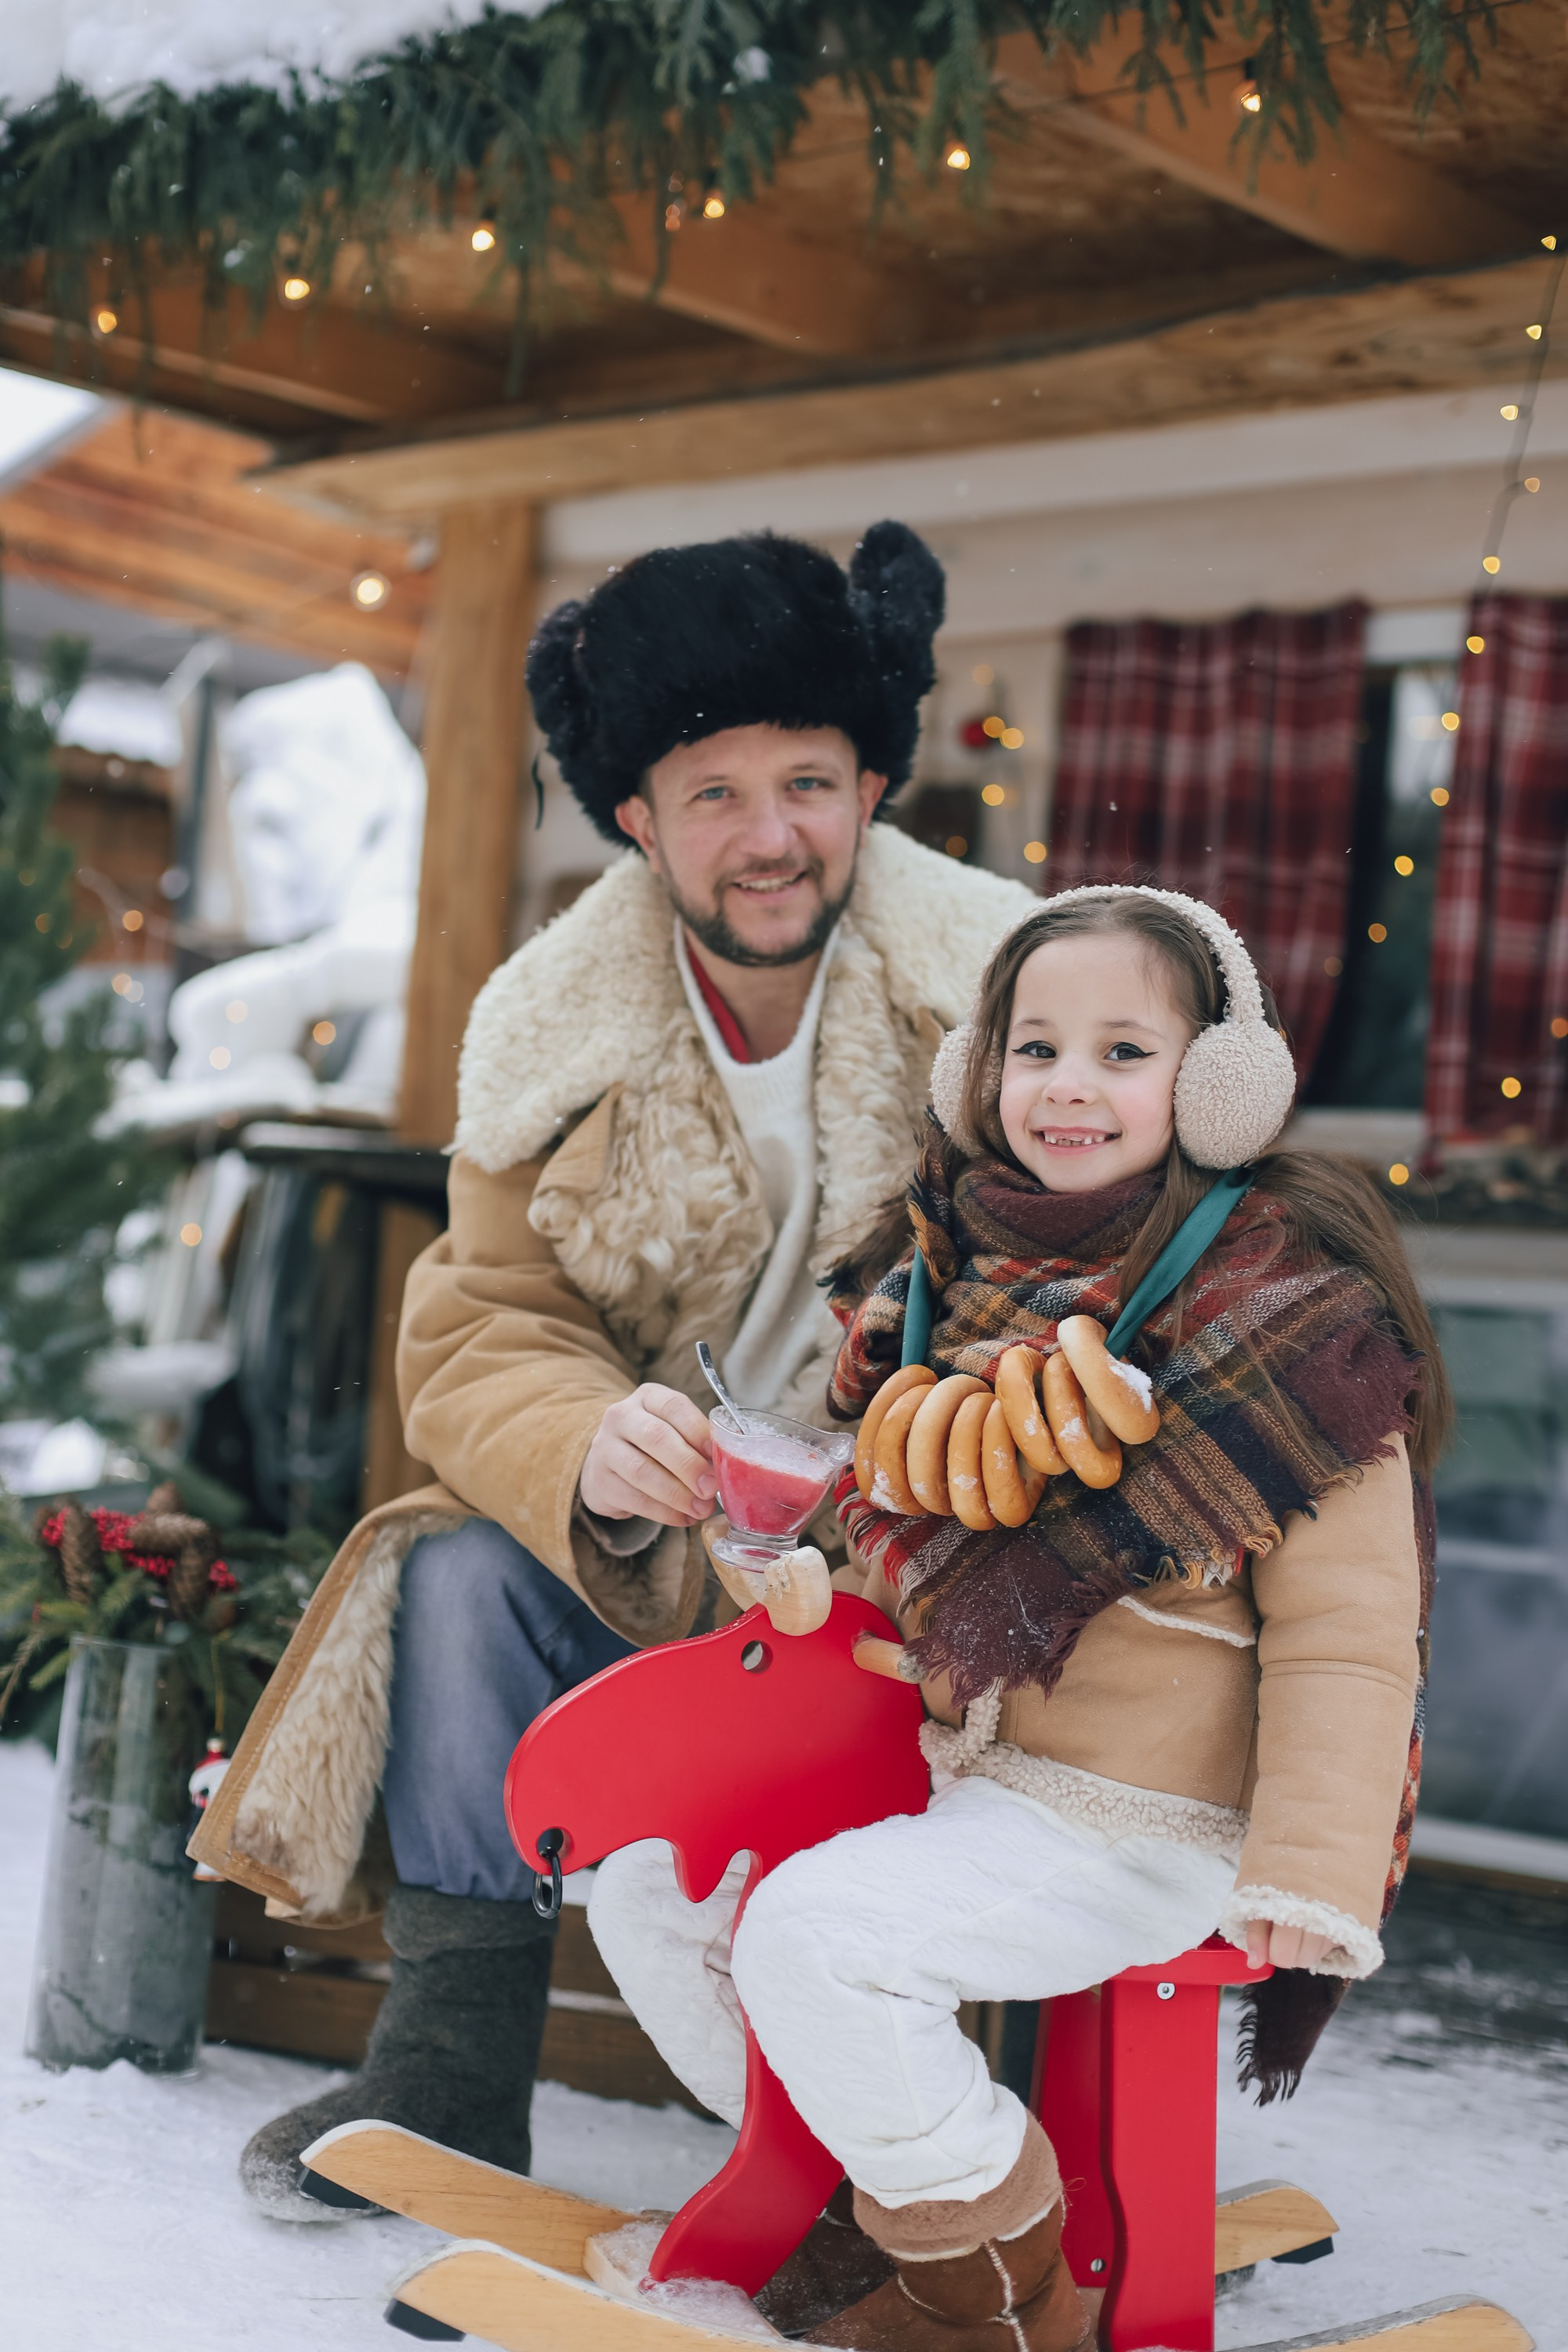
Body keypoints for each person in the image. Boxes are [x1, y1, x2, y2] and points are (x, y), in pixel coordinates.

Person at [192, 523, 1040, 2218]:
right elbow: (481, 1321)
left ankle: (988, 2133)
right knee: (445, 1574)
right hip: (674, 1557)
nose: (769, 835)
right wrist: (591, 1441)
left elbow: (1098, 1274)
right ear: (638, 817)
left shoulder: (1006, 997)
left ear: (871, 785)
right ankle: (446, 2068)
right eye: (711, 793)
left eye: (805, 780)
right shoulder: (543, 1032)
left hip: (933, 1557)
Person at [586, 886, 1446, 2351]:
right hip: (952, 1773)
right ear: (979, 1072)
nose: (1069, 1084)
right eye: (1036, 1046)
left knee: (812, 1935)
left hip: (1143, 1815)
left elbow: (1351, 1633)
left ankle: (994, 2285)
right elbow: (893, 1545)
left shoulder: (1295, 1322)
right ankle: (889, 2192)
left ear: (1218, 1084)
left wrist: (1314, 1872)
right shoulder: (937, 1283)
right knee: (657, 1887)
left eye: (1124, 1051)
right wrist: (813, 1587)